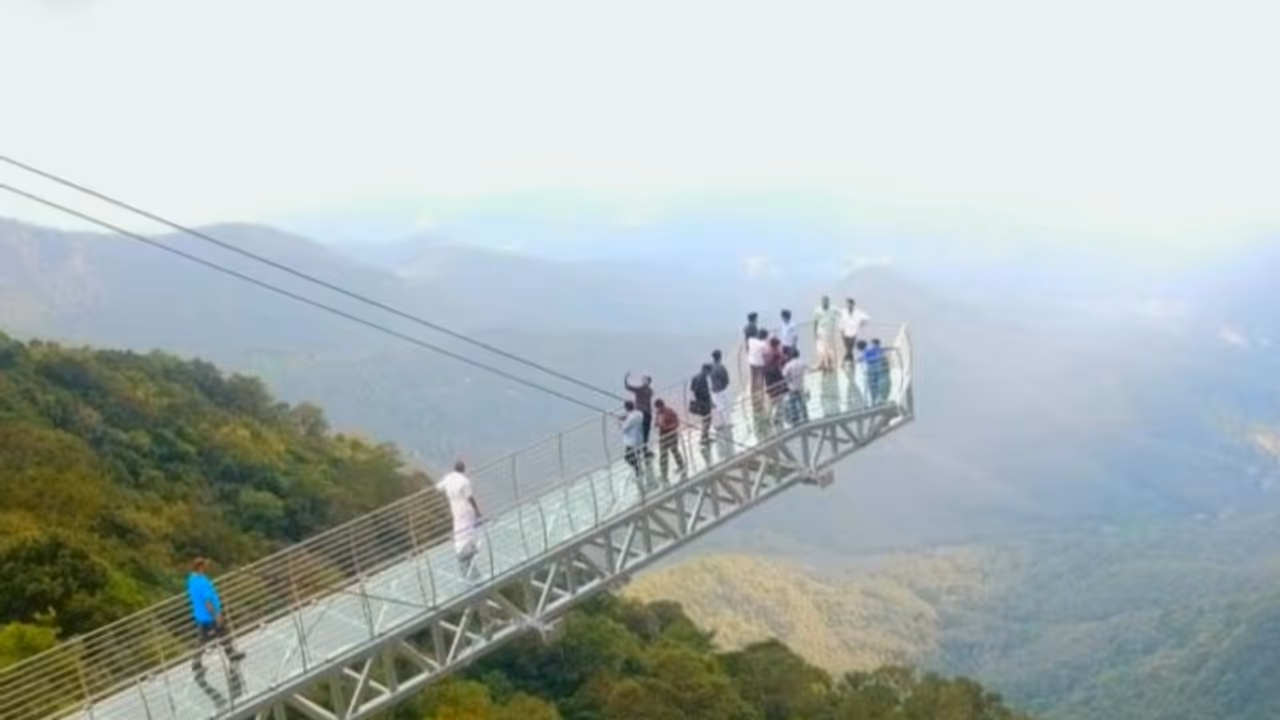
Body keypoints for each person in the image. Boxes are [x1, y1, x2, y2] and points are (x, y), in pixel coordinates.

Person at [187, 558, 245, 673]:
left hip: (201, 615)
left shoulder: (192, 580)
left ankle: (196, 662)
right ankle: (232, 655)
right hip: (210, 616)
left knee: (202, 640)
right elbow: (207, 601)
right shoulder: (202, 583)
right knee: (223, 634)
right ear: (200, 568)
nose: (206, 569)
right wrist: (216, 615)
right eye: (204, 567)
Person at [436, 460, 482, 580]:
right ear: (463, 469)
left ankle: (463, 554)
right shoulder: (464, 481)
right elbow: (469, 497)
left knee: (459, 531)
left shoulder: (448, 478)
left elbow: (438, 488)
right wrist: (477, 510)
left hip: (455, 509)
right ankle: (471, 549)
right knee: (469, 530)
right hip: (466, 509)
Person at [653, 399, 687, 481]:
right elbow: (656, 423)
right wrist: (657, 424)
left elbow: (676, 423)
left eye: (659, 408)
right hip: (662, 435)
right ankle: (663, 473)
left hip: (671, 434)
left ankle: (681, 466)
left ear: (662, 406)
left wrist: (668, 427)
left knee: (674, 450)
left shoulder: (670, 412)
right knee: (663, 455)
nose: (659, 409)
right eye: (657, 408)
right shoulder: (658, 413)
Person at [623, 372, 655, 449]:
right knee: (645, 432)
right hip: (647, 413)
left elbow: (627, 387)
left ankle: (641, 448)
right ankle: (645, 448)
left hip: (642, 413)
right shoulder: (650, 390)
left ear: (648, 382)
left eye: (644, 380)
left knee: (640, 431)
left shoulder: (641, 389)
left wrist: (625, 378)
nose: (643, 381)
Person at [619, 400, 646, 484]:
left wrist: (620, 422)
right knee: (636, 456)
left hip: (632, 442)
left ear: (626, 408)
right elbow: (632, 416)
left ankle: (638, 472)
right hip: (639, 439)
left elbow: (624, 429)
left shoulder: (630, 419)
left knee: (628, 457)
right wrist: (626, 417)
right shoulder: (639, 414)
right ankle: (639, 471)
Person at [689, 363, 714, 451]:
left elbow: (692, 389)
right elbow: (701, 391)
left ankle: (705, 437)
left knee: (705, 420)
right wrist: (709, 402)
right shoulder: (702, 378)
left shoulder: (695, 377)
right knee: (707, 420)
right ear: (706, 370)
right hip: (703, 403)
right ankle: (704, 438)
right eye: (709, 371)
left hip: (700, 402)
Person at [782, 346, 809, 425]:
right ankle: (805, 417)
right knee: (802, 403)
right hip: (800, 385)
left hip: (792, 387)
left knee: (793, 403)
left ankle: (795, 419)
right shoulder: (802, 363)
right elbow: (809, 369)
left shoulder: (788, 365)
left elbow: (784, 375)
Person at [812, 295, 840, 372]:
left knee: (830, 349)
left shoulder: (833, 308)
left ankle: (831, 364)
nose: (825, 303)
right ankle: (823, 365)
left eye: (826, 301)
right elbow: (815, 322)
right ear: (821, 302)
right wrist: (814, 333)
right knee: (821, 349)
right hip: (821, 331)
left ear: (829, 302)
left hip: (830, 332)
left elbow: (841, 313)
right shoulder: (817, 310)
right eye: (824, 301)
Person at [840, 298, 871, 365]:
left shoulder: (858, 312)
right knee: (848, 348)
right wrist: (841, 331)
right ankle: (850, 361)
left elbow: (867, 318)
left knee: (850, 348)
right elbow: (841, 322)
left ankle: (845, 362)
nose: (848, 305)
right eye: (847, 304)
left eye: (850, 304)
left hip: (854, 332)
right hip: (845, 332)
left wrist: (861, 323)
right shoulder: (843, 312)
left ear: (853, 304)